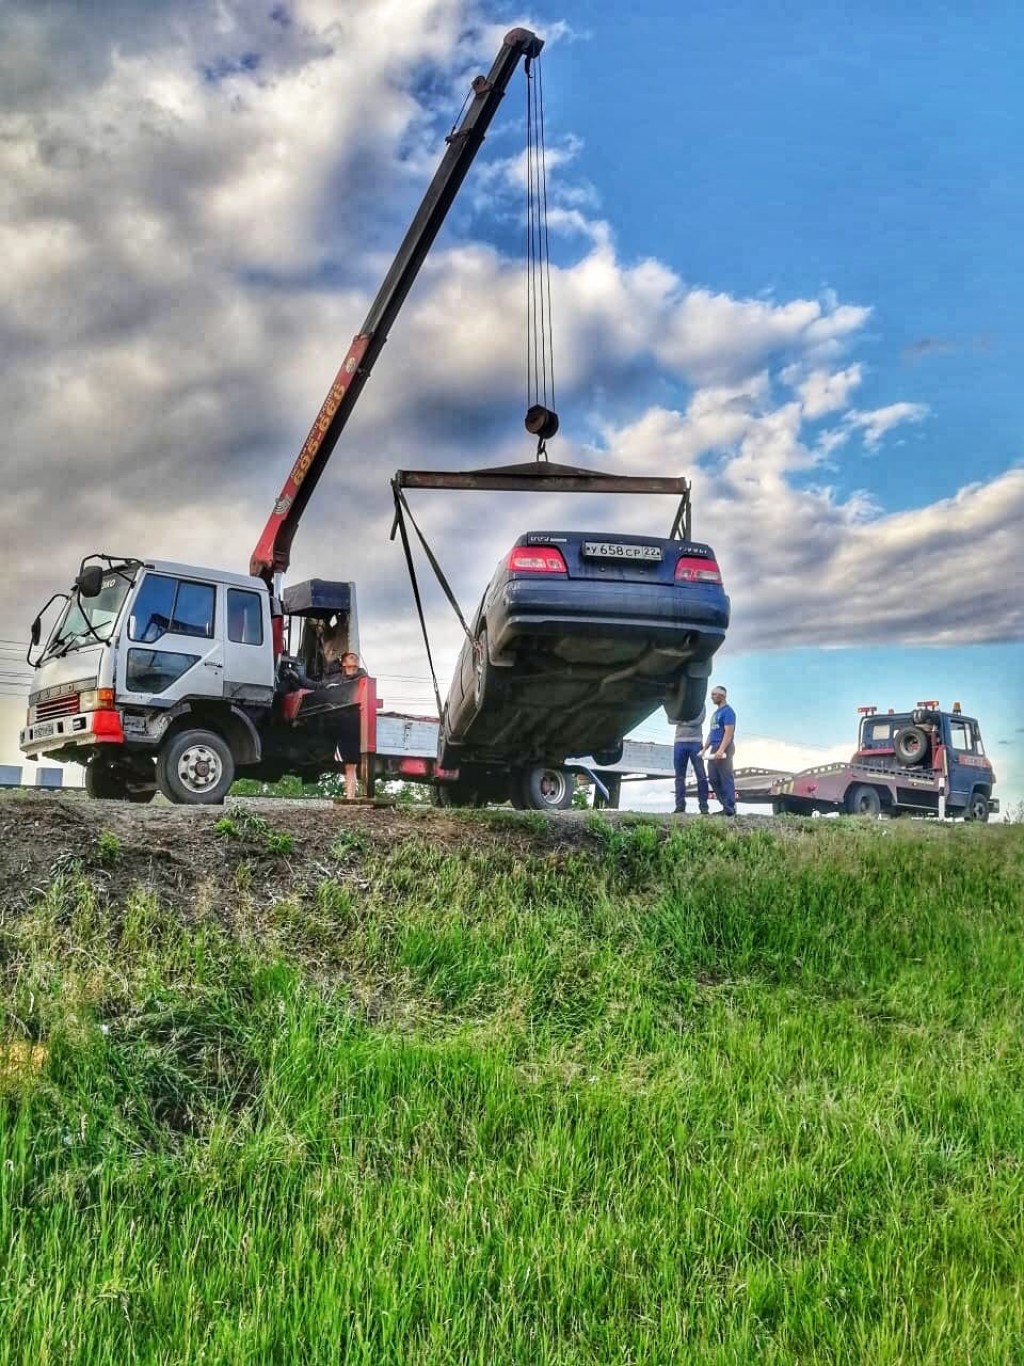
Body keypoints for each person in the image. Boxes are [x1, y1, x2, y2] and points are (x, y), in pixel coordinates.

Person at [702, 684, 736, 816]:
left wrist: (721, 750)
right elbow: (712, 733)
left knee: (725, 777)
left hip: (725, 747)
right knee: (713, 778)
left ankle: (729, 809)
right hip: (714, 748)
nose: (711, 697)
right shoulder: (716, 714)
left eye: (713, 695)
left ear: (722, 696)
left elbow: (729, 732)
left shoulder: (728, 712)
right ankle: (726, 806)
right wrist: (705, 749)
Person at [672, 704, 709, 814]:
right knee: (679, 776)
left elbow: (698, 721)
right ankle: (680, 806)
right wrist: (687, 720)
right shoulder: (680, 704)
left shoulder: (700, 704)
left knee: (701, 776)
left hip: (696, 742)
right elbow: (670, 719)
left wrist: (681, 721)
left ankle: (704, 807)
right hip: (679, 742)